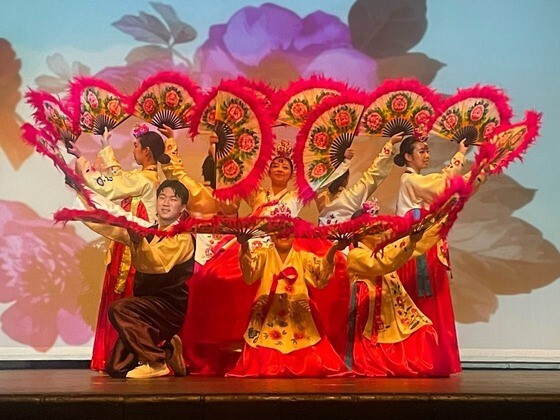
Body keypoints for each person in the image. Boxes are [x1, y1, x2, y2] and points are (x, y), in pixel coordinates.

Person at [67, 125, 169, 372]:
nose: (133, 150)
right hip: (128, 246)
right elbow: (119, 178)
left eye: (135, 146)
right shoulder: (147, 178)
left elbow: (111, 186)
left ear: (146, 151)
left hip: (135, 249)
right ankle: (126, 356)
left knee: (129, 300)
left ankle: (134, 356)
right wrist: (104, 147)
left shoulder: (146, 179)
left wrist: (81, 162)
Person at [83, 180, 195, 379]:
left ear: (182, 208)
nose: (166, 203)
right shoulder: (151, 231)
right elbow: (112, 227)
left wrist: (137, 241)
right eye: (162, 197)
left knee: (118, 308)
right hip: (145, 309)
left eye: (173, 199)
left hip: (167, 308)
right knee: (116, 367)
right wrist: (83, 195)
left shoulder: (183, 237)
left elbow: (157, 265)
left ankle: (156, 361)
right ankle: (169, 351)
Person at [393, 136, 479, 375]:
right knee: (420, 299)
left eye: (427, 150)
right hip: (416, 247)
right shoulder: (409, 179)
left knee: (434, 298)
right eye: (422, 151)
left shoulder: (419, 181)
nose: (427, 155)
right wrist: (460, 155)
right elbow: (442, 185)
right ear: (408, 157)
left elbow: (452, 187)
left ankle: (435, 357)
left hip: (428, 243)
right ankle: (421, 357)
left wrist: (480, 171)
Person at [227, 234, 350, 378]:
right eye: (278, 231)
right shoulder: (264, 255)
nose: (283, 235)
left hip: (297, 311)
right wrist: (244, 245)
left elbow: (320, 274)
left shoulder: (302, 257)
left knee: (310, 362)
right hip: (269, 311)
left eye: (287, 231)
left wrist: (333, 249)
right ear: (272, 235)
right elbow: (249, 274)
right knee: (266, 362)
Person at [346, 217, 451, 377]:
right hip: (371, 302)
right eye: (374, 232)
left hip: (392, 299)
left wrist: (436, 226)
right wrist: (409, 241)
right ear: (360, 236)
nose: (380, 234)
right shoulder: (355, 255)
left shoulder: (383, 251)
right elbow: (379, 264)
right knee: (378, 335)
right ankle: (380, 364)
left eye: (381, 230)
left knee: (421, 328)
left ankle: (407, 364)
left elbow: (415, 247)